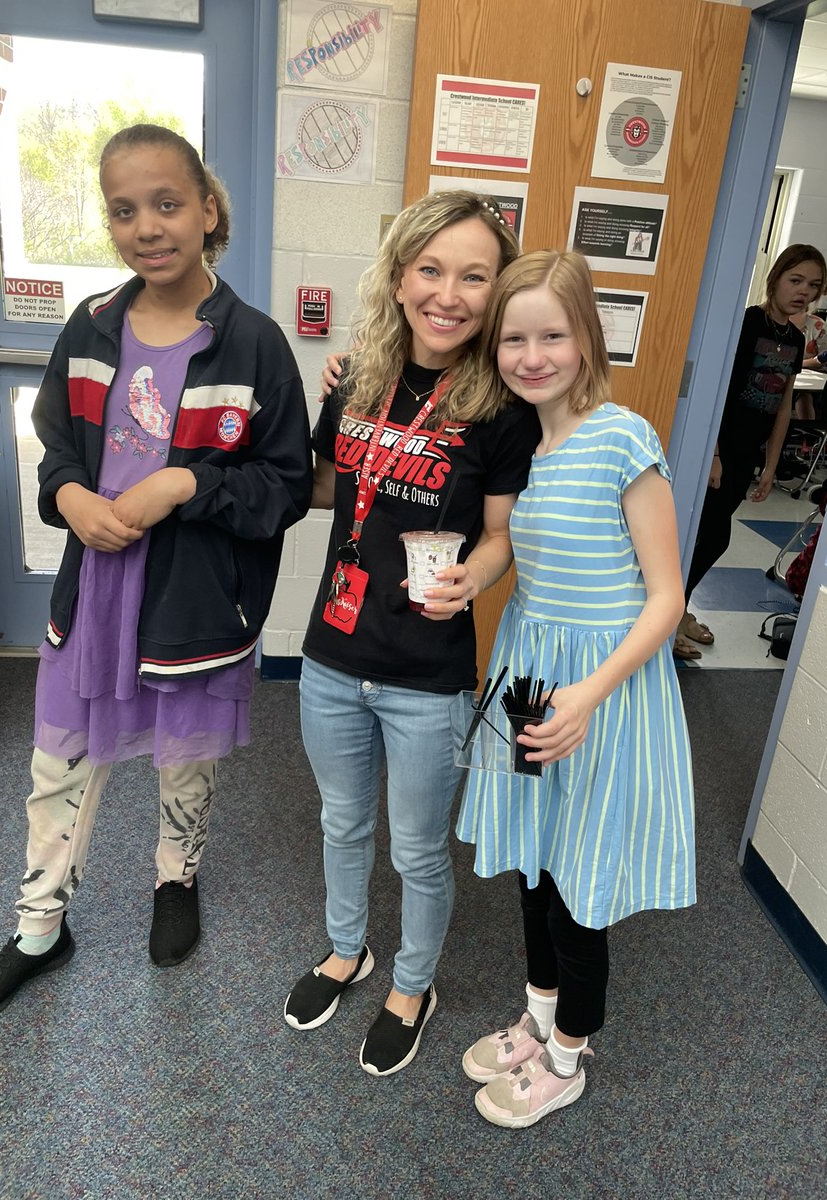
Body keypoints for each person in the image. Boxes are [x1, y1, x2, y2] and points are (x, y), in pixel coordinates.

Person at [0, 124, 312, 1024]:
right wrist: (69, 497)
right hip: (97, 595)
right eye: (123, 210)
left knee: (186, 755)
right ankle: (40, 926)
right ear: (110, 224)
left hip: (194, 600)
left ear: (207, 210)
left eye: (167, 203)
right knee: (58, 761)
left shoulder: (254, 344)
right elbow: (57, 448)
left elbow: (285, 486)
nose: (147, 226)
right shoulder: (92, 325)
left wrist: (186, 483)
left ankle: (175, 878)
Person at [283, 191, 541, 1076]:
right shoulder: (356, 378)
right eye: (431, 269)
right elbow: (323, 488)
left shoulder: (503, 408)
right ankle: (344, 948)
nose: (449, 292)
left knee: (419, 847)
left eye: (475, 275)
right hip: (330, 655)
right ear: (399, 277)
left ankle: (412, 983)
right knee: (342, 821)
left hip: (429, 674)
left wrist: (479, 571)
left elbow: (502, 533)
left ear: (497, 290)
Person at [454, 249, 695, 1128]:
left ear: (587, 336)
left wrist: (588, 694)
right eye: (514, 337)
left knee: (578, 880)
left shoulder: (622, 435)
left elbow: (667, 598)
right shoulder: (524, 443)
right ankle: (539, 1016)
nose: (532, 354)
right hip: (528, 668)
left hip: (602, 688)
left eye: (552, 334)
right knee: (532, 856)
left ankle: (570, 1053)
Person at [675, 244, 827, 659]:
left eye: (812, 285)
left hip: (747, 455)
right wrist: (713, 454)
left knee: (710, 536)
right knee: (705, 537)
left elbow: (783, 405)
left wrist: (771, 465)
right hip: (717, 450)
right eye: (795, 280)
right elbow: (715, 391)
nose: (803, 292)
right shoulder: (744, 324)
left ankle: (679, 610)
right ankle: (670, 619)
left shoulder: (795, 339)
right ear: (776, 277)